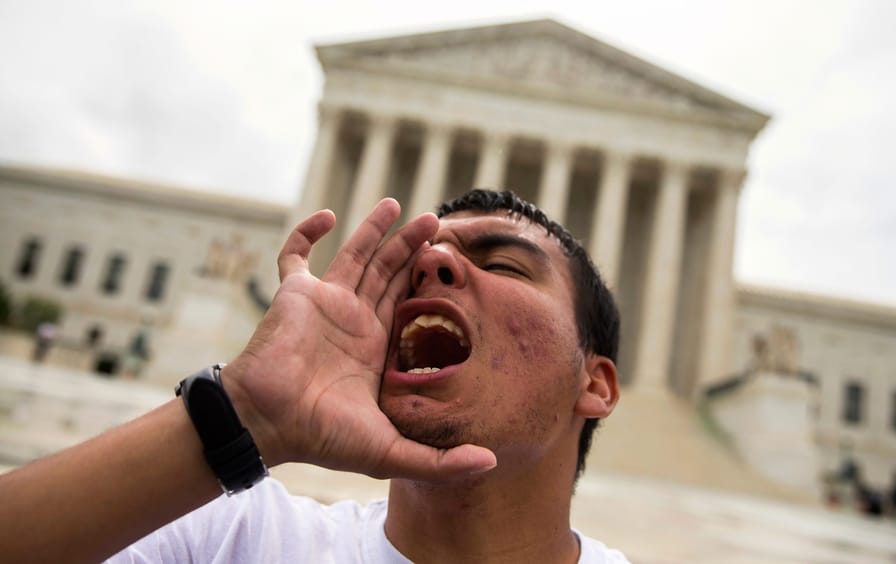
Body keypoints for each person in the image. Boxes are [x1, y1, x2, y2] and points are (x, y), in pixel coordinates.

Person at [0, 189, 626, 563]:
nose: (430, 262)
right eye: (418, 258)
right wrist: (244, 414)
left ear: (595, 384)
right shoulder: (232, 539)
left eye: (506, 266)